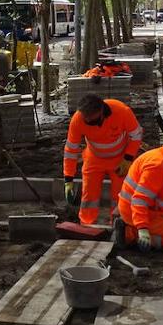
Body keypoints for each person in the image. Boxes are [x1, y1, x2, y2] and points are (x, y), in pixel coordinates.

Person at [63, 94, 143, 226]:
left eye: (92, 121)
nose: (89, 123)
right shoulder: (78, 119)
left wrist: (128, 158)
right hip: (93, 158)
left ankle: (119, 224)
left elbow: (136, 135)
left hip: (120, 159)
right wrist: (68, 179)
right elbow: (71, 150)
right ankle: (86, 224)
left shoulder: (121, 111)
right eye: (86, 120)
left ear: (101, 112)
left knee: (121, 195)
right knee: (89, 194)